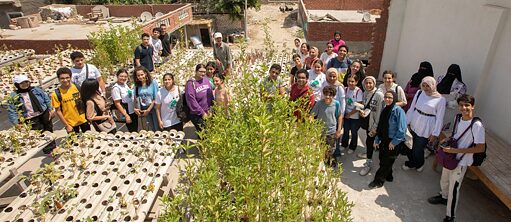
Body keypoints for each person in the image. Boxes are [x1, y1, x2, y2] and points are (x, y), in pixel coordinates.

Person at [427, 94, 485, 222]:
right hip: (450, 156)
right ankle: (443, 197)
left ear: (473, 107)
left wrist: (456, 150)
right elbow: (456, 135)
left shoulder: (477, 125)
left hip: (461, 161)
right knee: (444, 179)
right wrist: (446, 141)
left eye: (467, 105)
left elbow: (480, 148)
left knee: (454, 188)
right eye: (461, 105)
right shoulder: (458, 118)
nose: (464, 108)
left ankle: (450, 216)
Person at [404, 76, 446, 171]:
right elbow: (412, 108)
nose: (426, 88)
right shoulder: (419, 93)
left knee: (418, 148)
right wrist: (406, 122)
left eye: (428, 85)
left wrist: (435, 133)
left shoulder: (440, 100)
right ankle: (413, 162)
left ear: (433, 85)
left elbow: (439, 118)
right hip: (415, 121)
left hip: (426, 127)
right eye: (424, 85)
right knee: (409, 144)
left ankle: (418, 164)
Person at [369, 91, 407, 188]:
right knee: (383, 159)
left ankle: (378, 180)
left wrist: (394, 142)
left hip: (393, 141)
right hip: (384, 139)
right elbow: (380, 127)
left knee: (386, 162)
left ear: (394, 99)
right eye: (386, 97)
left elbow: (402, 129)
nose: (387, 99)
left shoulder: (398, 111)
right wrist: (377, 140)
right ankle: (389, 176)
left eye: (390, 98)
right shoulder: (385, 110)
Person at [311, 86, 343, 168]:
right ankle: (322, 162)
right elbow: (312, 115)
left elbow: (339, 116)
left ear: (333, 95)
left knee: (330, 149)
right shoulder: (319, 104)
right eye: (326, 94)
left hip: (331, 131)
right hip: (320, 131)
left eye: (330, 95)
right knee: (320, 148)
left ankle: (329, 161)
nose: (327, 97)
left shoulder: (336, 104)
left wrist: (339, 129)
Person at [358, 76, 384, 176]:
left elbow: (379, 113)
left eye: (370, 83)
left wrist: (375, 127)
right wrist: (362, 111)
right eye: (366, 83)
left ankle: (368, 164)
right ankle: (367, 154)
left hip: (374, 125)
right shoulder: (365, 93)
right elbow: (367, 107)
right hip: (367, 122)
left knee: (370, 141)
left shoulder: (379, 95)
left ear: (374, 83)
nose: (368, 85)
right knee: (369, 142)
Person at [51, 67, 90, 134]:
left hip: (84, 120)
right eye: (62, 78)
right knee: (74, 143)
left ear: (71, 77)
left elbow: (85, 102)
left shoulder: (77, 87)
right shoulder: (56, 94)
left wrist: (89, 117)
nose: (65, 80)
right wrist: (66, 125)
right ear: (58, 79)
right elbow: (58, 111)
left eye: (67, 77)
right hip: (70, 124)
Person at [321, 68, 346, 160]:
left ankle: (337, 152)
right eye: (330, 76)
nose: (332, 78)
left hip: (337, 112)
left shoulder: (339, 86)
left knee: (337, 133)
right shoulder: (324, 84)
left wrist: (341, 115)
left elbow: (343, 101)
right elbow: (321, 97)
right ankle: (326, 154)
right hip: (326, 111)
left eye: (334, 76)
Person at [437, 64, 467, 132]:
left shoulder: (461, 86)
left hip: (449, 110)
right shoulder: (441, 78)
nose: (450, 75)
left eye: (453, 73)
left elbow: (459, 101)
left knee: (443, 130)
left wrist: (446, 103)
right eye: (450, 72)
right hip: (436, 107)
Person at [186, 64, 214, 134]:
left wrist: (211, 109)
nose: (203, 73)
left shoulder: (206, 80)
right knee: (204, 133)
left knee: (210, 132)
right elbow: (191, 100)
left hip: (208, 112)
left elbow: (210, 95)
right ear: (196, 71)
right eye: (200, 71)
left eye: (204, 72)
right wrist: (202, 113)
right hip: (197, 114)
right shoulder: (191, 83)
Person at [341, 74, 364, 154]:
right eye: (349, 81)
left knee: (354, 132)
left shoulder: (358, 91)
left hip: (354, 116)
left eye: (352, 81)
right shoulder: (345, 89)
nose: (350, 83)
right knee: (346, 130)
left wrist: (350, 114)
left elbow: (358, 106)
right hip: (346, 114)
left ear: (356, 82)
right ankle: (344, 144)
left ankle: (353, 147)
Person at [133, 66, 159, 131]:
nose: (140, 77)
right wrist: (136, 108)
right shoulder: (136, 86)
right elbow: (135, 98)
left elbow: (156, 98)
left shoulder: (153, 83)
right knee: (150, 128)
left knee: (157, 127)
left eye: (142, 74)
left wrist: (148, 110)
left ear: (145, 74)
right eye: (138, 75)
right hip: (144, 109)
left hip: (153, 108)